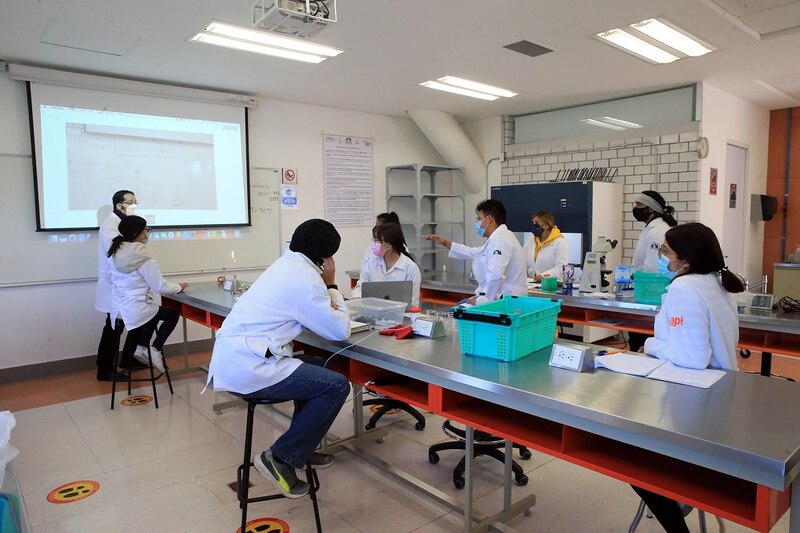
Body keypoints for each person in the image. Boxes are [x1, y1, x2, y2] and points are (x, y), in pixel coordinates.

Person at [206, 219, 351, 499]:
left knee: (322, 366)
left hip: (241, 357)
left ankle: (302, 448)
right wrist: (331, 285)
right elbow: (339, 330)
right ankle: (281, 458)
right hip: (251, 367)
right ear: (325, 258)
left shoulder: (287, 265)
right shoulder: (306, 279)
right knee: (336, 385)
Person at [631, 222, 744, 532]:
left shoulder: (685, 288)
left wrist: (651, 345)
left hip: (696, 405)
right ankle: (680, 495)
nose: (661, 258)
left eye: (666, 252)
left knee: (633, 464)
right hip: (719, 400)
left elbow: (693, 358)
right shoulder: (716, 282)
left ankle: (678, 510)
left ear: (687, 260)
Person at [107, 216, 188, 373]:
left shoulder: (116, 249)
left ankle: (142, 347)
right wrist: (179, 286)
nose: (147, 233)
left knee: (153, 314)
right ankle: (155, 349)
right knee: (172, 314)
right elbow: (160, 286)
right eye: (146, 230)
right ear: (137, 232)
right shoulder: (143, 255)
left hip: (118, 307)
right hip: (136, 307)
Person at [424, 199, 526, 304]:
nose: (478, 223)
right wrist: (445, 242)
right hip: (499, 297)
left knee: (455, 312)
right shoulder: (498, 238)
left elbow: (495, 274)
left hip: (504, 300)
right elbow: (473, 252)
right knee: (458, 307)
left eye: (479, 219)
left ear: (489, 219)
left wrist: (482, 299)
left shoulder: (500, 239)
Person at [95, 189, 140, 381]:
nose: (133, 206)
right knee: (114, 327)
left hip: (126, 284)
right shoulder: (110, 226)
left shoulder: (123, 223)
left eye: (135, 202)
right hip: (115, 285)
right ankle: (104, 370)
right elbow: (119, 252)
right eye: (130, 203)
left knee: (136, 321)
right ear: (118, 205)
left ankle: (128, 359)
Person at [628, 190, 678, 351]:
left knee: (641, 339)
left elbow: (652, 266)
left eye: (639, 204)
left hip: (651, 291)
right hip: (646, 290)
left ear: (651, 209)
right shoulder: (649, 228)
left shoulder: (658, 231)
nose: (635, 208)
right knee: (636, 337)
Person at [351, 222, 422, 306]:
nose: (375, 244)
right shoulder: (372, 264)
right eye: (375, 240)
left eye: (378, 241)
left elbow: (412, 302)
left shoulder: (411, 268)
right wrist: (357, 297)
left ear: (390, 245)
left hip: (400, 315)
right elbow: (360, 287)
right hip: (373, 311)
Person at [522, 211, 569, 281]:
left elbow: (561, 268)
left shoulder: (559, 242)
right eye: (533, 223)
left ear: (547, 225)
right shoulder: (530, 241)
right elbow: (523, 263)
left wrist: (544, 275)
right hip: (530, 283)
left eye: (537, 223)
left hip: (549, 284)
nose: (534, 226)